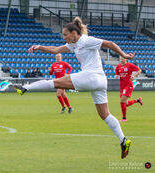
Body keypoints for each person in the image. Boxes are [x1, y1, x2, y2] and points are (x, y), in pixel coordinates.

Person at [11, 17, 134, 159]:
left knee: (55, 82)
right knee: (104, 114)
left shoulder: (86, 40)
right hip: (100, 80)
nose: (64, 37)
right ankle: (123, 140)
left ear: (74, 33)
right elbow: (55, 49)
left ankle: (25, 88)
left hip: (91, 76)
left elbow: (110, 44)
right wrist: (39, 47)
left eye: (65, 34)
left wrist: (123, 55)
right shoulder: (73, 44)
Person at [115, 57, 143, 122]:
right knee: (126, 103)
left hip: (128, 85)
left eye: (123, 58)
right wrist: (116, 76)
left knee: (122, 102)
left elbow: (139, 70)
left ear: (126, 59)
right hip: (122, 87)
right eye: (121, 58)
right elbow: (117, 74)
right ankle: (137, 100)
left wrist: (134, 76)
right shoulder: (118, 66)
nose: (122, 59)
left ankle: (124, 118)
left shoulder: (129, 65)